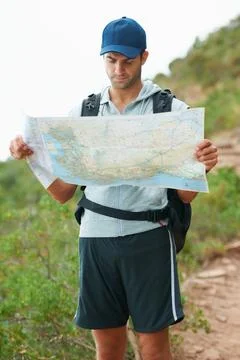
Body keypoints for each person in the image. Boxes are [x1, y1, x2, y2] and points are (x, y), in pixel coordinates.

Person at [9, 16, 218, 360]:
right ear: (103, 58)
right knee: (107, 348)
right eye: (111, 60)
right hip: (96, 239)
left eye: (128, 61)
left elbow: (185, 195)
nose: (119, 69)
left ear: (144, 57)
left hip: (149, 235)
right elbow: (63, 193)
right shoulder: (84, 114)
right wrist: (32, 159)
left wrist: (202, 164)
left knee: (152, 347)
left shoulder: (171, 111)